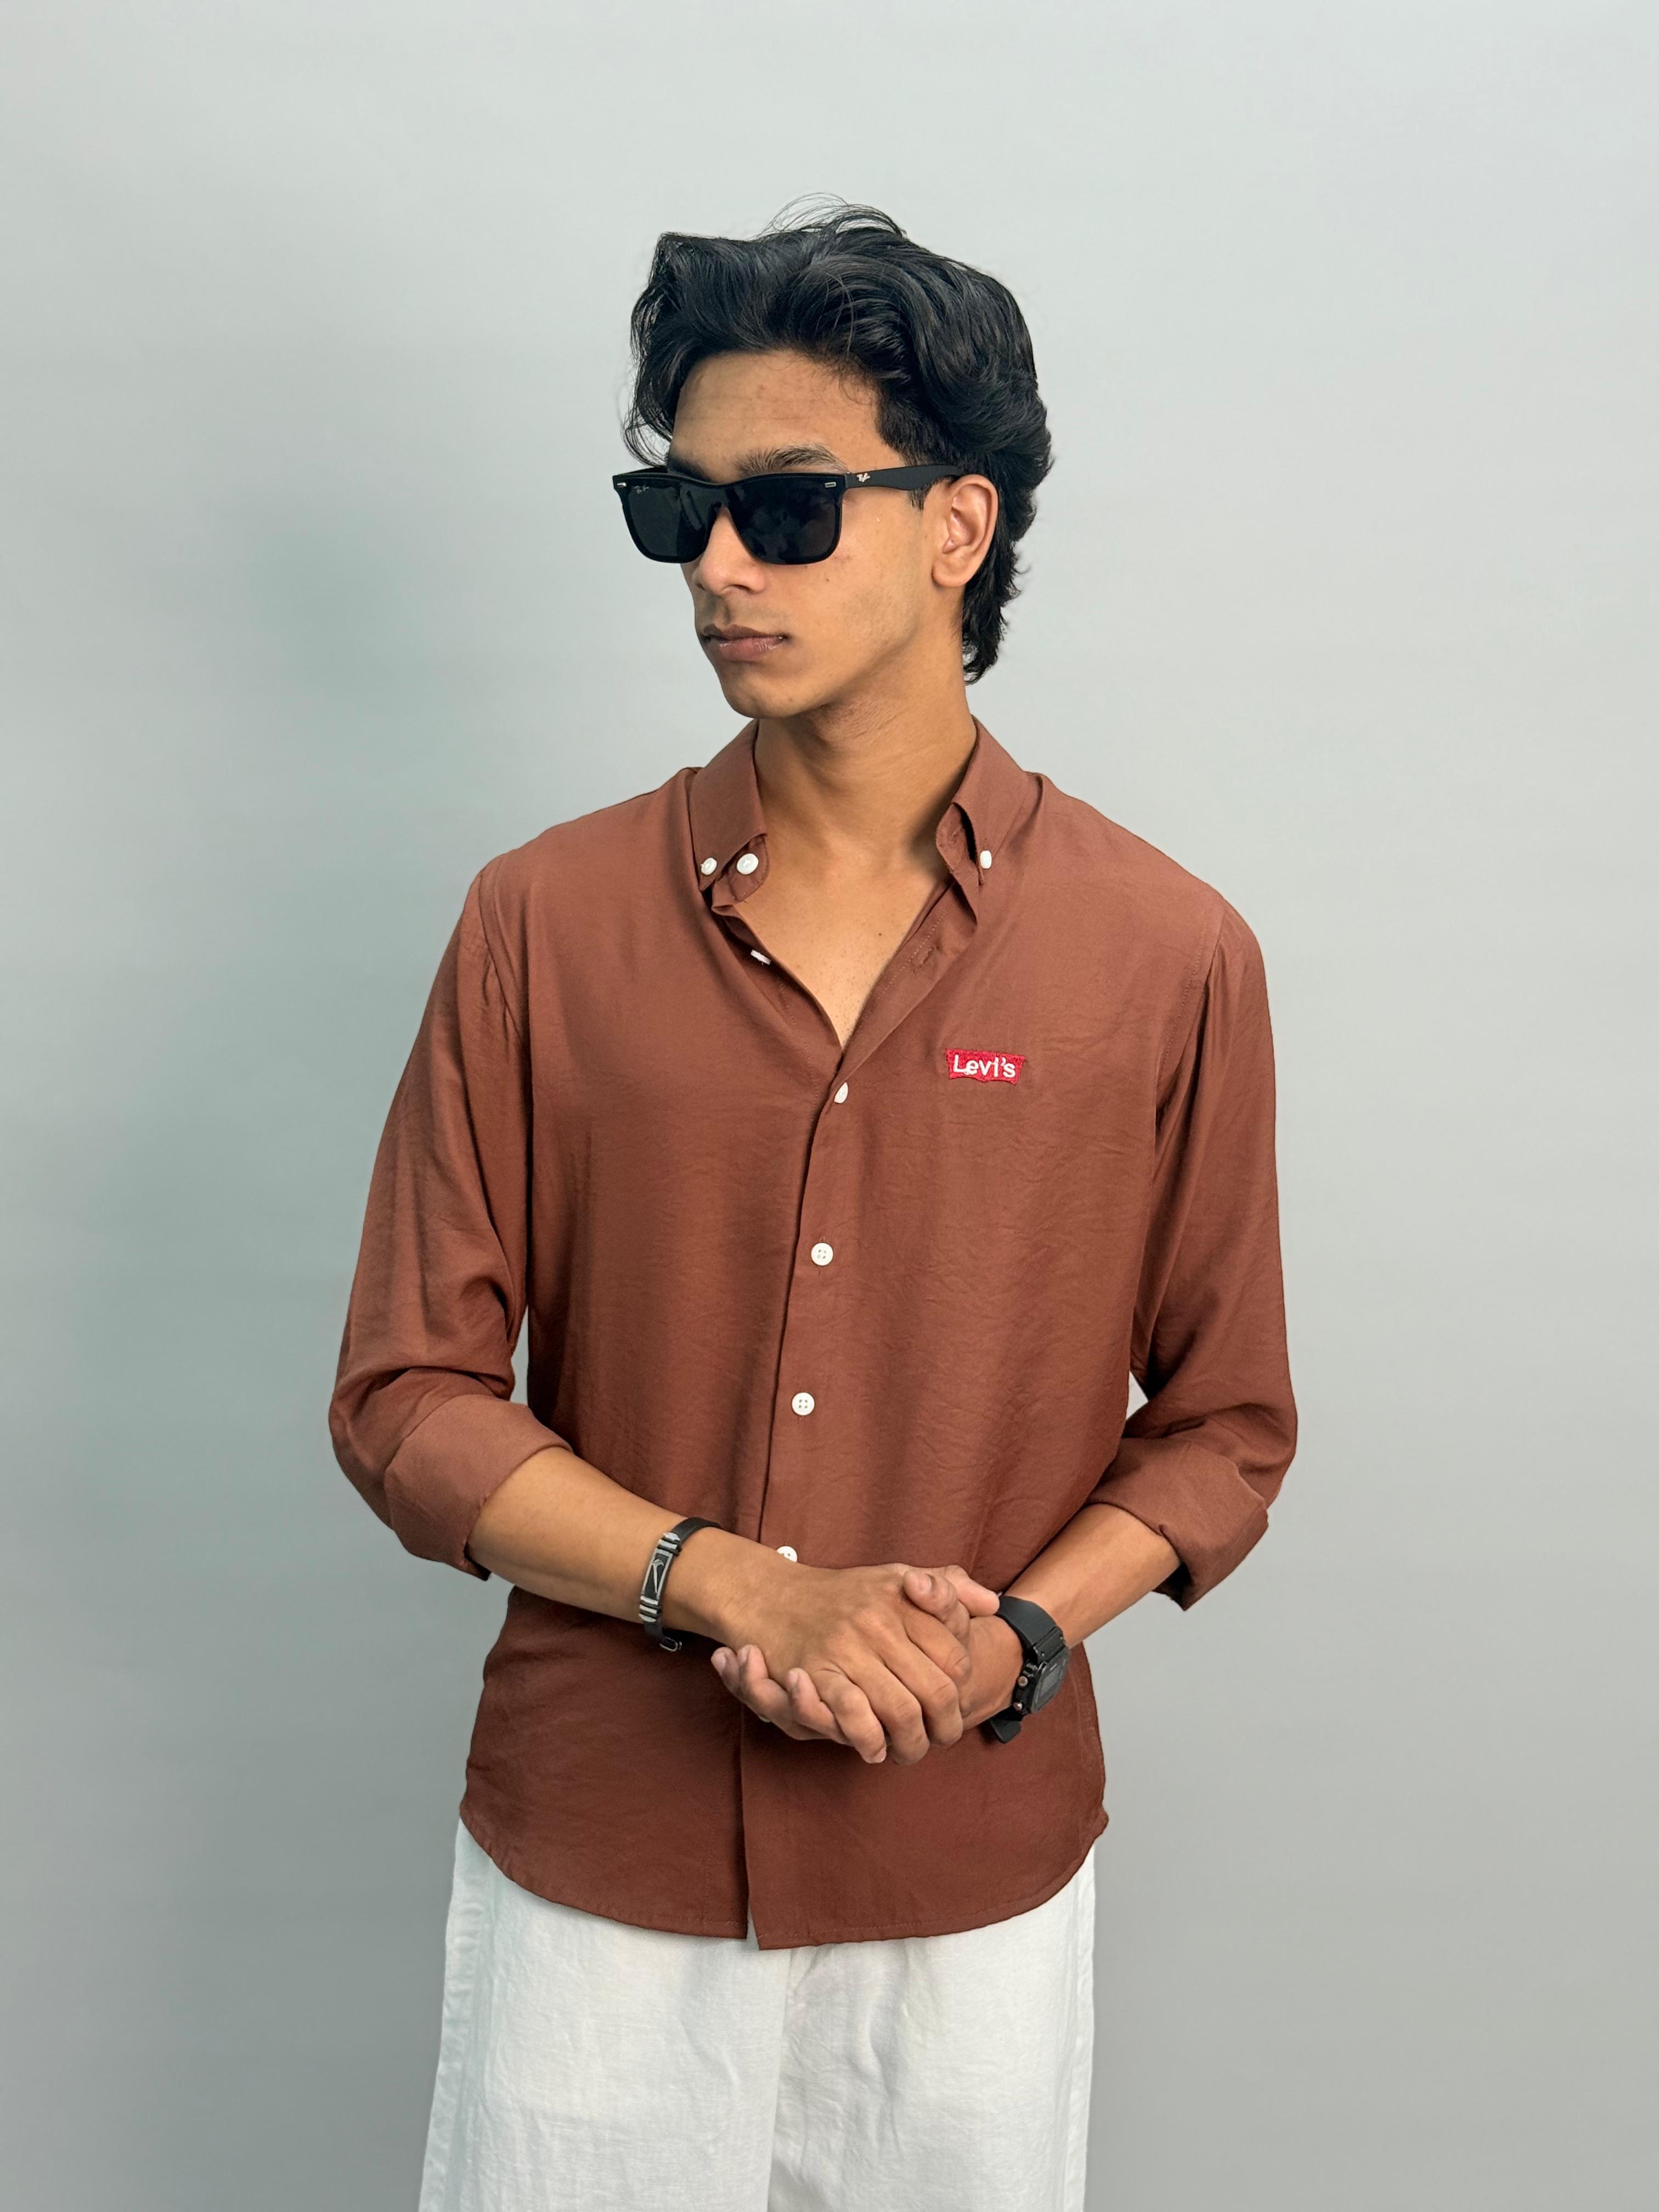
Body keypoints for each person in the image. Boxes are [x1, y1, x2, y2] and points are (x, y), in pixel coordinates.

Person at [329, 200, 1297, 2212]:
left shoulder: (1168, 952)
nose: (715, 566)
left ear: (959, 527)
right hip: (599, 1869)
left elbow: (1223, 1428)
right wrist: (744, 1589)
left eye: (781, 507)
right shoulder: (540, 922)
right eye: (673, 510)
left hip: (972, 1868)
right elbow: (408, 1399)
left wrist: (1013, 1639)